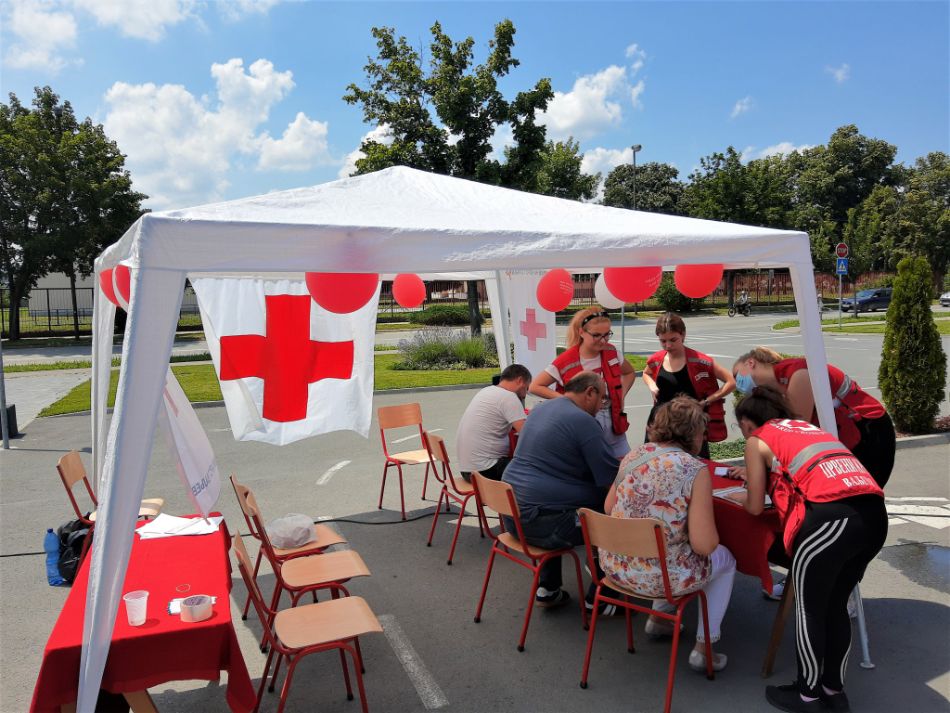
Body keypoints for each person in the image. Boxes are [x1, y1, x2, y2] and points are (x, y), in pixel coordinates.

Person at [734, 386, 886, 713]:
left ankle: (807, 696)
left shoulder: (757, 439)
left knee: (810, 609)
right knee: (835, 605)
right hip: (873, 517)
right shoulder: (807, 429)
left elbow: (755, 507)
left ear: (747, 423)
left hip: (829, 522)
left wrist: (741, 497)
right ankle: (833, 690)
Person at [601, 396, 736, 672]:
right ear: (693, 433)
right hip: (661, 576)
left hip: (616, 567)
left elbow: (607, 506)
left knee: (665, 547)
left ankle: (660, 619)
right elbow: (704, 545)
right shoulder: (694, 469)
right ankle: (704, 649)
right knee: (724, 559)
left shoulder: (635, 455)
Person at [503, 371, 620, 612]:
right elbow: (611, 480)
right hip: (544, 525)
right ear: (590, 392)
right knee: (612, 515)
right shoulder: (583, 421)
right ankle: (601, 598)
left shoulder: (541, 409)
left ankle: (548, 588)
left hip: (512, 516)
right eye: (603, 399)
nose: (602, 406)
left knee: (554, 499)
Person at [732, 346, 896, 487]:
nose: (736, 383)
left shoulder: (797, 373)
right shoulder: (778, 388)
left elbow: (796, 434)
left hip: (869, 430)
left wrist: (758, 472)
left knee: (863, 495)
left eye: (737, 375)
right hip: (850, 434)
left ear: (751, 363)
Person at [529, 306, 636, 458]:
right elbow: (535, 386)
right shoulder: (565, 360)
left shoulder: (612, 352)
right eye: (596, 335)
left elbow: (629, 372)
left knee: (625, 467)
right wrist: (568, 401)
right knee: (594, 469)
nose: (603, 340)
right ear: (581, 332)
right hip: (583, 430)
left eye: (607, 334)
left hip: (615, 428)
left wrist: (621, 395)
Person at [641, 312, 736, 458]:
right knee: (656, 463)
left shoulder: (699, 361)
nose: (668, 345)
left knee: (696, 465)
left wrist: (706, 401)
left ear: (683, 334)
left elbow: (731, 382)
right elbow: (645, 373)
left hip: (690, 426)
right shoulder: (657, 359)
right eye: (663, 341)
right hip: (659, 424)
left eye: (673, 340)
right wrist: (652, 385)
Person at [456, 364, 531, 482]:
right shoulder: (509, 397)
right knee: (535, 468)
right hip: (485, 470)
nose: (525, 395)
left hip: (467, 470)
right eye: (526, 388)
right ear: (520, 380)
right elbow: (528, 435)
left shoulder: (486, 391)